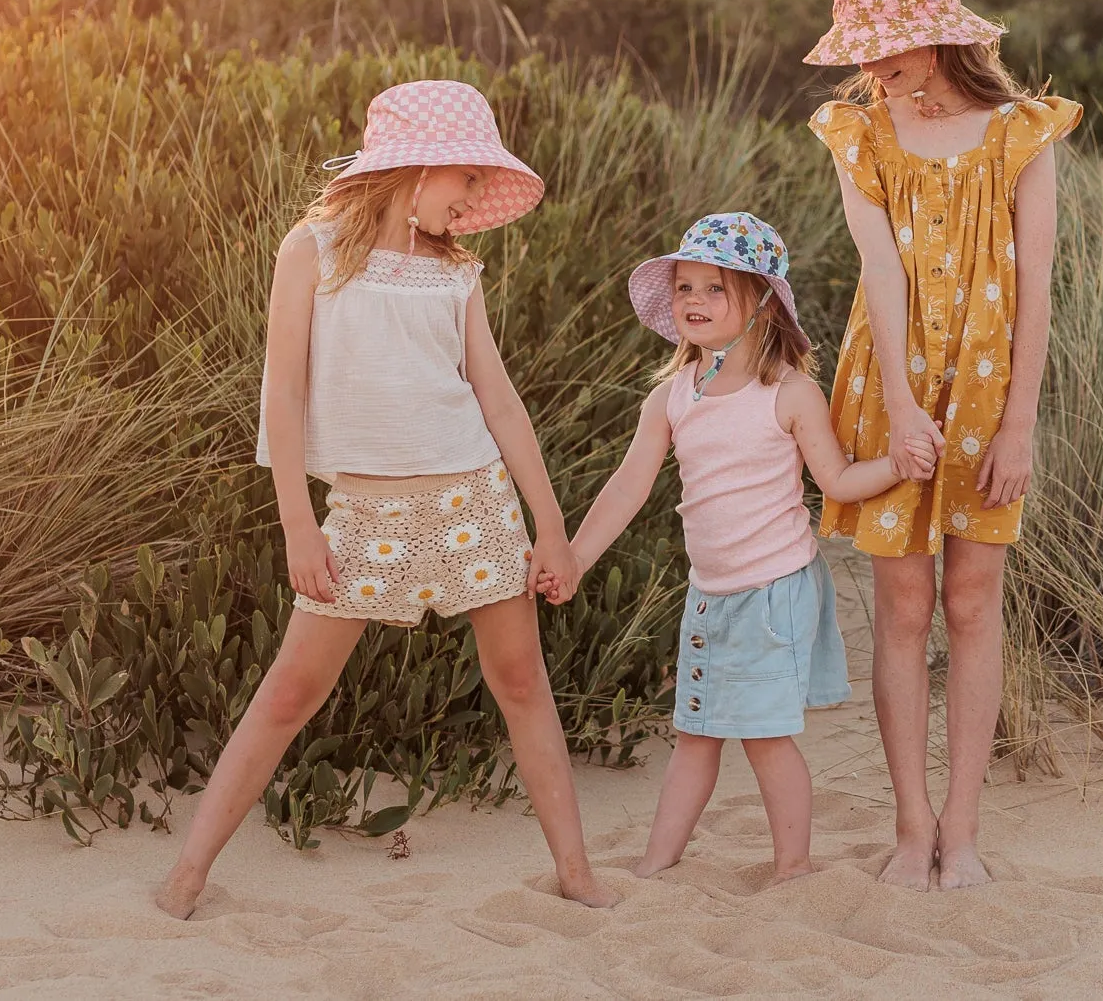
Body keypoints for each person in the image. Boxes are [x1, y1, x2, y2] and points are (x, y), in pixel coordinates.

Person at [156, 80, 614, 918]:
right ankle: (190, 873)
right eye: (467, 180)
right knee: (291, 692)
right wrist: (298, 520)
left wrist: (552, 528)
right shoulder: (315, 249)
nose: (474, 199)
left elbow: (500, 400)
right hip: (365, 517)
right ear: (419, 165)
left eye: (480, 184)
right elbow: (281, 394)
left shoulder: (457, 270)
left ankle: (576, 870)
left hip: (475, 501)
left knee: (520, 681)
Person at [803, 0, 1080, 890]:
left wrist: (1019, 424)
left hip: (989, 392)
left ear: (936, 33)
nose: (870, 61)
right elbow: (877, 269)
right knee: (902, 606)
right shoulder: (860, 133)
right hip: (894, 383)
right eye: (863, 42)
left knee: (971, 601)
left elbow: (1036, 283)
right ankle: (909, 823)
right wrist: (898, 404)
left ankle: (963, 829)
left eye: (887, 40)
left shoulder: (1022, 131)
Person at [539, 213, 933, 883]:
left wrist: (898, 465)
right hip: (710, 595)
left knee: (763, 737)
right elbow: (628, 486)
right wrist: (575, 555)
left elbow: (836, 480)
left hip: (773, 592)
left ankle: (793, 866)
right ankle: (655, 865)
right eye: (685, 287)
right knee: (694, 732)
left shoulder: (788, 396)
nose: (693, 300)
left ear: (761, 304)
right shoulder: (672, 397)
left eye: (713, 288)